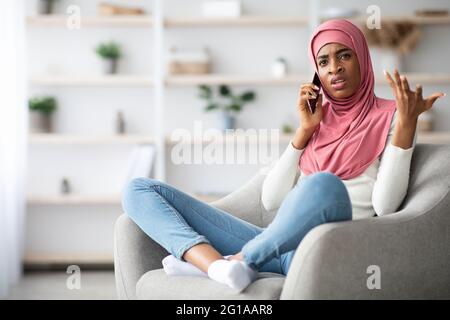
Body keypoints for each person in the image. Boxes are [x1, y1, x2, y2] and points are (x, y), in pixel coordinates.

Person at [121, 19, 445, 292]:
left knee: (322, 185)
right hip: (278, 247)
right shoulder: (316, 118)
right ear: (317, 72)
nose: (334, 69)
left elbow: (384, 206)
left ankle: (243, 260)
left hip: (327, 248)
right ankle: (216, 268)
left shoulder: (394, 116)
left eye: (344, 56)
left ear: (362, 58)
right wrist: (304, 132)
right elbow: (271, 201)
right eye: (324, 62)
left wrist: (406, 125)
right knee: (138, 189)